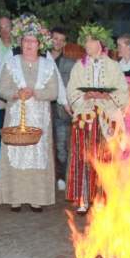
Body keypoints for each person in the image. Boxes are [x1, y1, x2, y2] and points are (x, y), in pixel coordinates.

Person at [0, 14, 59, 212]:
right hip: (16, 115)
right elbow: (3, 89)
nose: (29, 44)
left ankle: (37, 198)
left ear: (39, 44)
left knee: (37, 156)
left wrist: (36, 93)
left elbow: (54, 92)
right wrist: (16, 93)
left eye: (33, 41)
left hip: (40, 119)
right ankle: (15, 197)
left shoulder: (48, 66)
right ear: (20, 42)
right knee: (16, 153)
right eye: (25, 41)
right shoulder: (11, 63)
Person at [65, 24, 128, 213]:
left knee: (105, 159)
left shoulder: (113, 66)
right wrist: (84, 96)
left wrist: (107, 96)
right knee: (83, 158)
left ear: (100, 43)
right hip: (85, 118)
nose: (87, 44)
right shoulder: (78, 66)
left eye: (91, 41)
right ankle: (84, 198)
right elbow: (72, 90)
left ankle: (102, 198)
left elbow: (122, 91)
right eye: (85, 41)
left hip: (106, 118)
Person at [50, 26, 75, 192]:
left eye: (61, 39)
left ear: (64, 43)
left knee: (61, 147)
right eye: (55, 38)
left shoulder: (70, 64)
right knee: (42, 146)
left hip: (61, 112)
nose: (57, 42)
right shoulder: (40, 60)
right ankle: (44, 178)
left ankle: (60, 177)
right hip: (41, 110)